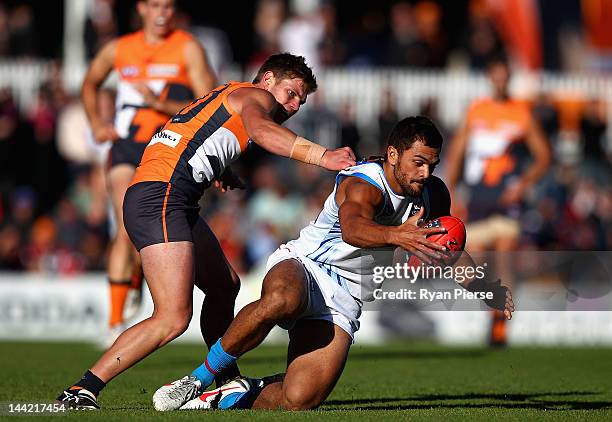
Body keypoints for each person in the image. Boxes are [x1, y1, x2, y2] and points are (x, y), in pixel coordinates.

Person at [56, 52, 356, 410]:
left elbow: (188, 132)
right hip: (162, 197)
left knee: (223, 285)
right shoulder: (255, 98)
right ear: (268, 79)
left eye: (301, 101)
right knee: (172, 316)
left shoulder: (231, 94)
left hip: (168, 195)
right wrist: (323, 156)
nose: (293, 105)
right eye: (291, 93)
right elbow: (261, 131)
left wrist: (219, 168)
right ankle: (82, 389)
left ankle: (226, 378)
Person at [153, 116, 514, 411]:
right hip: (308, 265)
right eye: (417, 162)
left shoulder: (433, 194)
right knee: (282, 300)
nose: (424, 173)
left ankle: (232, 395)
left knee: (299, 400)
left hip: (346, 297)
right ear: (392, 154)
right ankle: (198, 378)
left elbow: (445, 249)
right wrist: (397, 236)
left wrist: (486, 289)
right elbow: (354, 229)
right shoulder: (363, 183)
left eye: (431, 165)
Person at [80, 0, 217, 346]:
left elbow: (211, 103)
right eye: (155, 5)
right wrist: (97, 122)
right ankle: (114, 323)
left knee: (141, 227)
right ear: (141, 8)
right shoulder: (120, 47)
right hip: (126, 146)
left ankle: (139, 276)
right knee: (124, 223)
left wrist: (160, 106)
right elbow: (89, 83)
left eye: (169, 6)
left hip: (168, 150)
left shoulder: (187, 48)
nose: (162, 13)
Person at [444, 55, 550, 346]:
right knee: (475, 261)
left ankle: (500, 322)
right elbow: (457, 152)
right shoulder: (477, 110)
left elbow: (543, 156)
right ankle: (491, 309)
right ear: (491, 77)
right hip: (478, 198)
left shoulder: (521, 113)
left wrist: (523, 184)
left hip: (506, 199)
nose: (501, 80)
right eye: (497, 74)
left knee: (505, 258)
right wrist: (451, 191)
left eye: (505, 75)